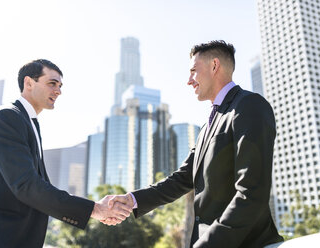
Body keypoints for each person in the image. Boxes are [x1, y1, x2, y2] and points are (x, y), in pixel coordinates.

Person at [106, 40, 284, 247]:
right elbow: (181, 179)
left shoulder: (249, 106)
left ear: (214, 66)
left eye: (193, 71)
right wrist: (132, 200)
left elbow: (251, 193)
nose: (189, 80)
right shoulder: (206, 127)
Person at [0, 59, 132, 248]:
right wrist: (95, 209)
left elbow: (39, 186)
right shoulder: (7, 117)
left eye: (60, 85)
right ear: (29, 83)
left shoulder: (28, 122)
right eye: (52, 83)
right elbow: (26, 185)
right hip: (1, 238)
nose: (58, 91)